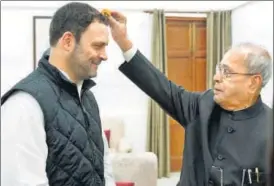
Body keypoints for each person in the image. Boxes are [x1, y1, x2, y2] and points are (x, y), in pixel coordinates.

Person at [107, 11, 273, 185]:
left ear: (254, 83)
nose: (216, 77)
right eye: (219, 69)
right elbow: (162, 88)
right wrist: (123, 42)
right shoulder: (203, 105)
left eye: (227, 72)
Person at [1, 2, 116, 186]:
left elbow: (105, 167)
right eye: (98, 46)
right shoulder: (24, 104)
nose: (104, 55)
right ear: (68, 41)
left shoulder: (88, 98)